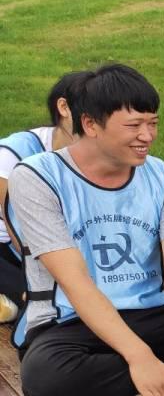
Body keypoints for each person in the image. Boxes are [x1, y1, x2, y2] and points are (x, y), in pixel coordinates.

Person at [8, 64, 164, 396]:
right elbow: (75, 282)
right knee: (44, 377)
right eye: (134, 126)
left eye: (153, 123)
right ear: (90, 124)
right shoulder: (36, 177)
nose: (147, 136)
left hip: (152, 313)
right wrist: (140, 358)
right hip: (72, 321)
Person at [0, 70, 87, 319]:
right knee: (50, 302)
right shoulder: (14, 152)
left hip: (65, 243)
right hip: (14, 245)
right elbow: (19, 230)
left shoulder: (104, 154)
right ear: (64, 108)